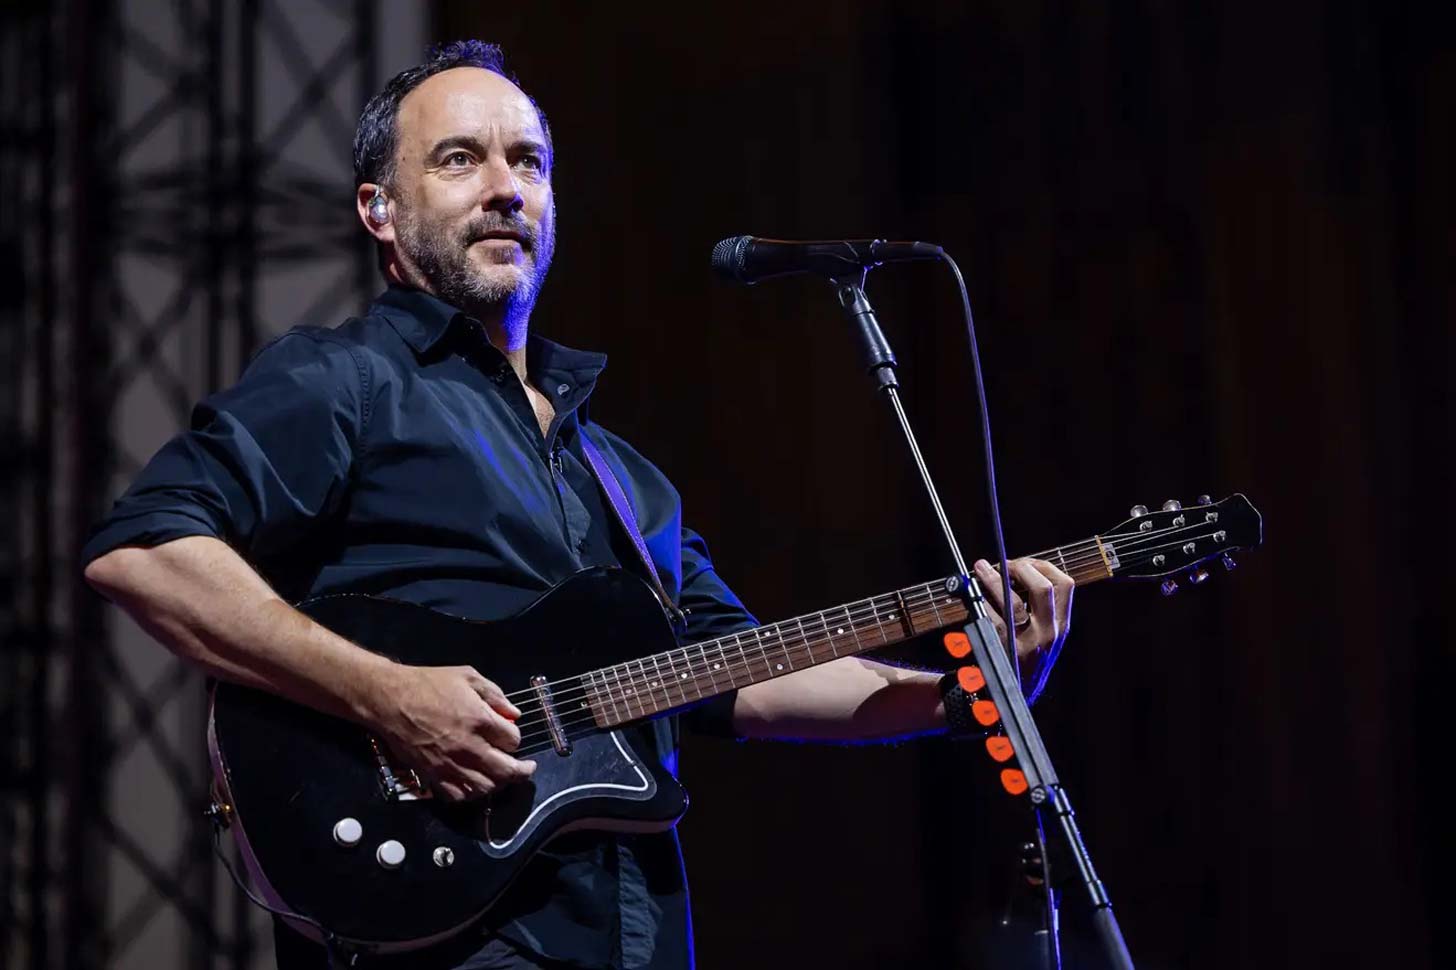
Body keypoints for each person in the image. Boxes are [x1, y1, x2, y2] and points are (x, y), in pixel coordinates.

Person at [81, 41, 1075, 970]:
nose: (506, 188)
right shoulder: (344, 380)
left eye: (529, 162)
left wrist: (966, 691)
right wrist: (388, 693)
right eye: (461, 160)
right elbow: (144, 552)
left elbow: (739, 676)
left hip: (631, 929)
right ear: (379, 208)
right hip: (441, 922)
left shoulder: (622, 472)